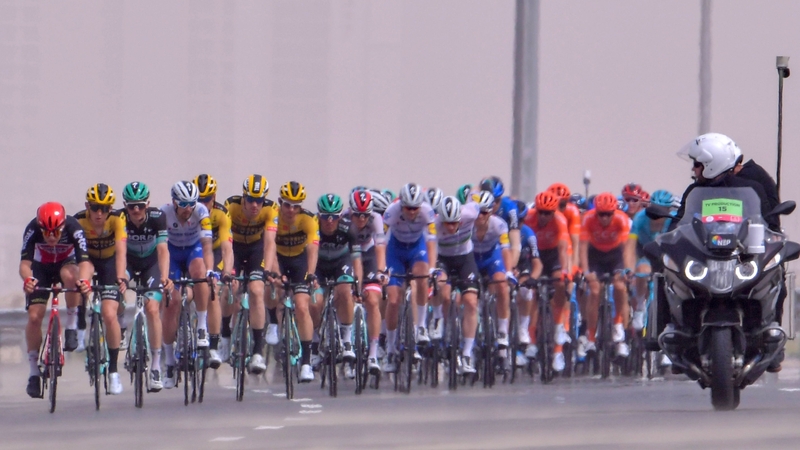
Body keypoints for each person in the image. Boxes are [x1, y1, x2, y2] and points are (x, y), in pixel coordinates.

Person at [20, 202, 93, 398]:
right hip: (41, 268)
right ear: (40, 227)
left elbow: (84, 262)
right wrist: (27, 279)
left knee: (72, 277)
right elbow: (25, 264)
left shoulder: (74, 227)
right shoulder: (32, 228)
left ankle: (71, 326)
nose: (51, 237)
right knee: (35, 317)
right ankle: (34, 373)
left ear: (62, 226)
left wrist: (84, 281)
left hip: (65, 264)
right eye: (46, 233)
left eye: (56, 232)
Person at [74, 183, 128, 395]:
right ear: (88, 205)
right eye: (95, 207)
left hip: (108, 263)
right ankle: (79, 327)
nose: (99, 213)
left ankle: (114, 371)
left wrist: (121, 276)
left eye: (105, 209)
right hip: (87, 261)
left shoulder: (117, 220)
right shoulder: (78, 221)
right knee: (81, 278)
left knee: (108, 314)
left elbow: (122, 252)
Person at [161, 181, 216, 389]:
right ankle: (168, 362)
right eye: (183, 204)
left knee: (201, 272)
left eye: (191, 203)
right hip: (172, 254)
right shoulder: (163, 214)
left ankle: (202, 325)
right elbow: (161, 249)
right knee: (172, 302)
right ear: (174, 201)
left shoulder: (201, 212)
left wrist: (210, 270)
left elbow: (207, 246)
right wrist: (165, 276)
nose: (188, 208)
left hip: (193, 250)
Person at [120, 181, 172, 390]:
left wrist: (165, 277)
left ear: (147, 204)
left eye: (140, 205)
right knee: (116, 287)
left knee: (152, 309)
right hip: (129, 262)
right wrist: (121, 277)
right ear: (125, 206)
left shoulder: (158, 217)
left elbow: (162, 250)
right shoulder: (120, 219)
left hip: (151, 264)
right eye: (131, 206)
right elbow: (120, 252)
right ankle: (121, 324)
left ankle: (156, 366)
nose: (135, 210)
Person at [381, 183, 437, 373]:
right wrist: (381, 269)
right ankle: (389, 348)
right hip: (395, 252)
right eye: (408, 208)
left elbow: (431, 241)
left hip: (416, 248)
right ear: (401, 205)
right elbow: (380, 241)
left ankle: (420, 326)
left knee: (422, 277)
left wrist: (432, 268)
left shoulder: (427, 213)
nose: (412, 212)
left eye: (416, 208)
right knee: (394, 300)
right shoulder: (391, 212)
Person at [224, 174, 278, 374]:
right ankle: (223, 334)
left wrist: (267, 270)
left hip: (256, 250)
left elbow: (270, 242)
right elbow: (226, 241)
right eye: (251, 200)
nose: (255, 205)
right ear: (243, 197)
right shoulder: (230, 206)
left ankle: (257, 351)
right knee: (231, 286)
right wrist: (227, 270)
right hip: (235, 250)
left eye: (259, 201)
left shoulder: (271, 209)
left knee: (256, 290)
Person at [674, 133, 777, 231]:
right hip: (702, 248)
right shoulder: (694, 191)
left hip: (741, 248)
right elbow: (680, 223)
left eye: (697, 165)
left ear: (711, 164)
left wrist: (773, 235)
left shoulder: (751, 189)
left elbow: (768, 226)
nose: (693, 169)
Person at [312, 194, 362, 378]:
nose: (329, 221)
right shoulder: (313, 227)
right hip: (318, 265)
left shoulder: (349, 229)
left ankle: (347, 340)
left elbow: (356, 260)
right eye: (325, 216)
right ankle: (316, 344)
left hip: (341, 262)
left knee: (344, 291)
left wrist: (357, 284)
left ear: (341, 216)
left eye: (334, 216)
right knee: (315, 302)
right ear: (319, 216)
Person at [579, 192, 635, 359]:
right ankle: (590, 337)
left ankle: (619, 331)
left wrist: (626, 271)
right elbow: (582, 248)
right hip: (595, 255)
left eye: (608, 214)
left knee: (619, 286)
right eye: (601, 214)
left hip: (615, 256)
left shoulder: (621, 219)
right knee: (594, 291)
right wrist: (586, 271)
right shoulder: (588, 219)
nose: (604, 218)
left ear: (613, 212)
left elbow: (627, 249)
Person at [274, 181, 320, 382]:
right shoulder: (273, 217)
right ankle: (275, 327)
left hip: (300, 262)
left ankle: (307, 363)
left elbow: (312, 249)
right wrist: (275, 273)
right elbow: (267, 247)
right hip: (279, 260)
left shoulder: (309, 219)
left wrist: (311, 273)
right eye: (287, 205)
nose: (291, 210)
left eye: (296, 205)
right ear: (279, 203)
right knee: (272, 292)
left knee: (302, 307)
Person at [433, 196, 482, 374]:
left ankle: (467, 352)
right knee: (443, 290)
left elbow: (477, 200)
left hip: (465, 259)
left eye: (455, 223)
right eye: (447, 223)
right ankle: (439, 319)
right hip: (443, 259)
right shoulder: (434, 223)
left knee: (471, 302)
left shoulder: (471, 212)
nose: (451, 227)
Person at [344, 189, 387, 374]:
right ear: (350, 211)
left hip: (368, 254)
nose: (361, 219)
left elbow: (380, 246)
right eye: (357, 215)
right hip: (347, 254)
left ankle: (373, 354)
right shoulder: (343, 219)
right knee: (346, 295)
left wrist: (381, 271)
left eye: (365, 215)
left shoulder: (376, 219)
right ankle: (345, 344)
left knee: (372, 299)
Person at [194, 173, 233, 369]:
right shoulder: (187, 211)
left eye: (207, 200)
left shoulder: (221, 213)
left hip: (215, 252)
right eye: (199, 200)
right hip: (193, 251)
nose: (203, 204)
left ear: (214, 198)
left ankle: (214, 346)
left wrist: (226, 271)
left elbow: (226, 247)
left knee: (213, 292)